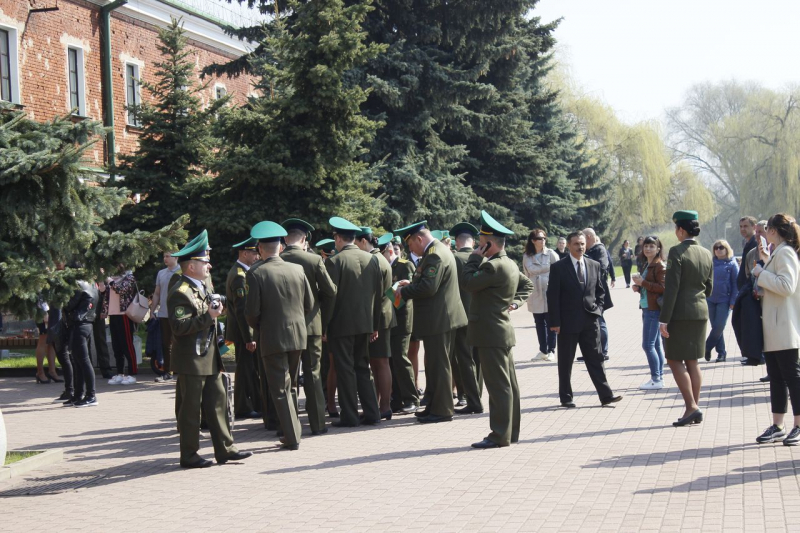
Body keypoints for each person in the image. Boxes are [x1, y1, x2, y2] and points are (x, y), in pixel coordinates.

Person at [168, 230, 251, 468]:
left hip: (210, 356)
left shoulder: (201, 285)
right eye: (205, 261)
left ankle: (225, 449)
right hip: (192, 360)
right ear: (191, 266)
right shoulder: (180, 292)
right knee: (191, 410)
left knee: (218, 403)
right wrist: (209, 316)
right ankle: (189, 455)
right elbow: (179, 327)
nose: (209, 266)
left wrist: (214, 313)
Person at [462, 212, 533, 448]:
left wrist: (473, 259)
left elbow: (468, 283)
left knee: (498, 386)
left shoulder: (492, 267)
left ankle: (499, 434)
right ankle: (510, 431)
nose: (478, 245)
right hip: (499, 331)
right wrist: (515, 302)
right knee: (508, 384)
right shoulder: (509, 263)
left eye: (481, 241)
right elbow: (526, 284)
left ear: (489, 244)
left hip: (491, 333)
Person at [246, 221, 313, 450]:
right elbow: (309, 304)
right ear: (280, 248)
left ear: (260, 249)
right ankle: (291, 429)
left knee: (281, 388)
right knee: (291, 385)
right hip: (298, 334)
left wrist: (260, 326)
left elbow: (252, 313)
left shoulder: (256, 273)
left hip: (273, 336)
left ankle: (292, 435)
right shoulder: (298, 270)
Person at [394, 220, 467, 424]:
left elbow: (429, 288)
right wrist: (413, 283)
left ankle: (442, 410)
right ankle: (434, 405)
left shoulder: (435, 253)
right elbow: (429, 282)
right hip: (439, 318)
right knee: (434, 363)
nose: (411, 250)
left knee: (439, 364)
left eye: (410, 245)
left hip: (439, 318)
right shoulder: (435, 251)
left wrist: (403, 291)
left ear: (419, 239)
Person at [546, 232, 621, 408]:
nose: (580, 247)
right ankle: (566, 397)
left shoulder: (593, 265)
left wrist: (598, 310)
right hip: (567, 323)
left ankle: (606, 395)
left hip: (590, 321)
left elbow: (601, 292)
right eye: (576, 244)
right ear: (569, 246)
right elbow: (552, 296)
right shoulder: (559, 267)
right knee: (565, 361)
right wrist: (555, 322)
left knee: (596, 359)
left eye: (582, 244)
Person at [324, 216, 383, 427]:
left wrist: (325, 325)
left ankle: (349, 416)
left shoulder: (334, 261)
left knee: (345, 370)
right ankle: (372, 412)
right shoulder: (371, 259)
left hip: (341, 325)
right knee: (362, 368)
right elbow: (379, 295)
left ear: (338, 238)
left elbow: (330, 297)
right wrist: (374, 324)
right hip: (365, 323)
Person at [281, 219, 337, 435]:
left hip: (286, 328)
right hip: (312, 325)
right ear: (304, 239)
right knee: (313, 375)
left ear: (285, 239)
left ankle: (289, 425)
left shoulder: (276, 259)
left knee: (289, 377)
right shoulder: (314, 260)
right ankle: (317, 424)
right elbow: (331, 291)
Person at [659, 210, 713, 426]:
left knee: (673, 359)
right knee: (693, 361)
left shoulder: (676, 252)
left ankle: (691, 406)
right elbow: (709, 289)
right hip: (700, 311)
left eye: (676, 228)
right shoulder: (706, 253)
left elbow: (671, 289)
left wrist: (664, 319)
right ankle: (694, 407)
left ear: (681, 230)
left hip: (679, 314)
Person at [752, 214, 800, 445]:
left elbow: (786, 286)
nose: (763, 233)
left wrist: (762, 274)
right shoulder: (778, 253)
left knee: (792, 378)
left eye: (766, 228)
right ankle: (778, 424)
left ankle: (797, 425)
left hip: (785, 327)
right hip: (775, 326)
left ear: (773, 230)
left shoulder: (786, 252)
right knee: (777, 378)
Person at [355, 226, 397, 420]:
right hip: (383, 316)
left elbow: (375, 296)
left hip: (379, 319)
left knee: (380, 362)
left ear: (364, 241)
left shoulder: (374, 260)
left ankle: (384, 406)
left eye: (356, 243)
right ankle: (380, 405)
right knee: (378, 362)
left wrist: (374, 325)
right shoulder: (380, 259)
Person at [381, 233, 419, 415]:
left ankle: (411, 398)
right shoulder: (384, 266)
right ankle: (396, 399)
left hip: (402, 319)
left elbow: (405, 294)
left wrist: (384, 297)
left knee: (401, 358)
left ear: (389, 251)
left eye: (382, 254)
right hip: (389, 320)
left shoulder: (404, 265)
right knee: (391, 360)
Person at [225, 237, 262, 419]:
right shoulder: (241, 276)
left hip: (241, 331)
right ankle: (242, 407)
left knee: (249, 369)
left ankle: (254, 403)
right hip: (242, 332)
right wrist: (249, 338)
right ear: (245, 253)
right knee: (245, 370)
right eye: (254, 253)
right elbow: (242, 311)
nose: (257, 256)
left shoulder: (242, 272)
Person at [450, 222, 484, 415]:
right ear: (473, 241)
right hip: (481, 315)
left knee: (464, 358)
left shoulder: (453, 259)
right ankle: (477, 393)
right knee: (478, 358)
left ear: (457, 241)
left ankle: (472, 398)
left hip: (461, 316)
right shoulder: (485, 259)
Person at [631, 236, 666, 390]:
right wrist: (639, 288)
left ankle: (656, 378)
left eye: (652, 246)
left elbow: (663, 287)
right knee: (656, 344)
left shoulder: (659, 266)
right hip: (647, 306)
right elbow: (651, 287)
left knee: (648, 345)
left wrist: (643, 283)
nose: (648, 249)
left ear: (658, 249)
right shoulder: (649, 264)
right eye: (646, 246)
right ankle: (659, 377)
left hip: (653, 309)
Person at [62, 275, 100, 407]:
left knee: (83, 361)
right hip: (87, 323)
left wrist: (61, 298)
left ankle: (91, 395)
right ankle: (79, 395)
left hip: (79, 323)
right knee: (79, 362)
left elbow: (69, 305)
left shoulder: (77, 284)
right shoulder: (92, 283)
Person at [522, 229, 560, 362]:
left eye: (544, 238)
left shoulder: (551, 254)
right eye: (539, 238)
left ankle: (551, 350)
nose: (543, 241)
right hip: (535, 292)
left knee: (551, 321)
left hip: (550, 291)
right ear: (533, 241)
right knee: (538, 322)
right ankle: (543, 350)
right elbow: (527, 273)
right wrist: (546, 269)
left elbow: (559, 271)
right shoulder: (527, 256)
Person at [704, 239, 739, 363]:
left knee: (719, 326)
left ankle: (706, 347)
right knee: (715, 327)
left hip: (725, 300)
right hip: (710, 299)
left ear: (727, 249)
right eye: (716, 248)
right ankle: (721, 353)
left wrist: (733, 301)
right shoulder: (710, 263)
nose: (718, 250)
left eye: (721, 247)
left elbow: (736, 284)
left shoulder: (732, 264)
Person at [150, 251, 181, 382]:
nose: (165, 259)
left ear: (176, 257)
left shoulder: (182, 272)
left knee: (180, 342)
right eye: (164, 256)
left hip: (179, 314)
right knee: (166, 343)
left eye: (168, 256)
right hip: (164, 313)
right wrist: (152, 310)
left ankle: (182, 370)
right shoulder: (161, 273)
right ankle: (168, 371)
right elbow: (157, 293)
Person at [583, 228, 613, 361]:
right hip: (589, 292)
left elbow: (602, 267)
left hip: (597, 292)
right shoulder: (589, 251)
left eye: (583, 238)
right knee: (590, 323)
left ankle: (603, 351)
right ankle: (592, 351)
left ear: (589, 237)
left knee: (599, 321)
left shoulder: (599, 250)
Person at [105, 266, 138, 385]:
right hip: (113, 314)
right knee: (116, 346)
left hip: (124, 314)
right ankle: (119, 373)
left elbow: (121, 290)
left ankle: (132, 373)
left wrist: (110, 281)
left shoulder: (129, 278)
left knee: (127, 345)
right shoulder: (111, 278)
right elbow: (106, 295)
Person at [737, 216, 758, 290]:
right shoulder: (746, 243)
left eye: (745, 226)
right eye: (741, 226)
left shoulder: (756, 244)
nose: (742, 229)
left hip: (751, 288)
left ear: (754, 227)